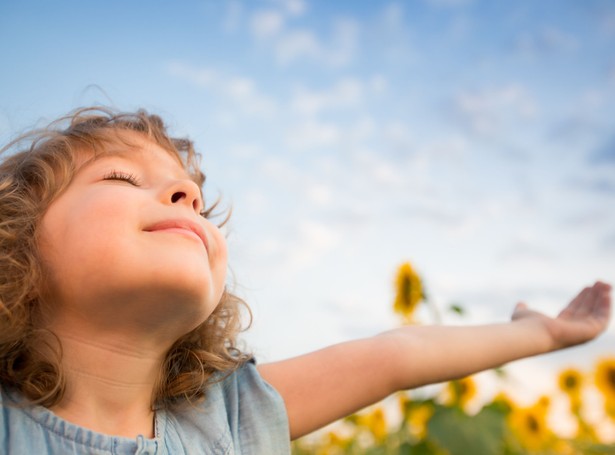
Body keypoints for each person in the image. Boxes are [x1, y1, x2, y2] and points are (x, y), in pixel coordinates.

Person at [0, 107, 610, 455]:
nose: (186, 195)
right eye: (121, 179)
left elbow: (397, 356)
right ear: (17, 239)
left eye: (195, 200)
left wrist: (545, 336)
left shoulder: (229, 418)